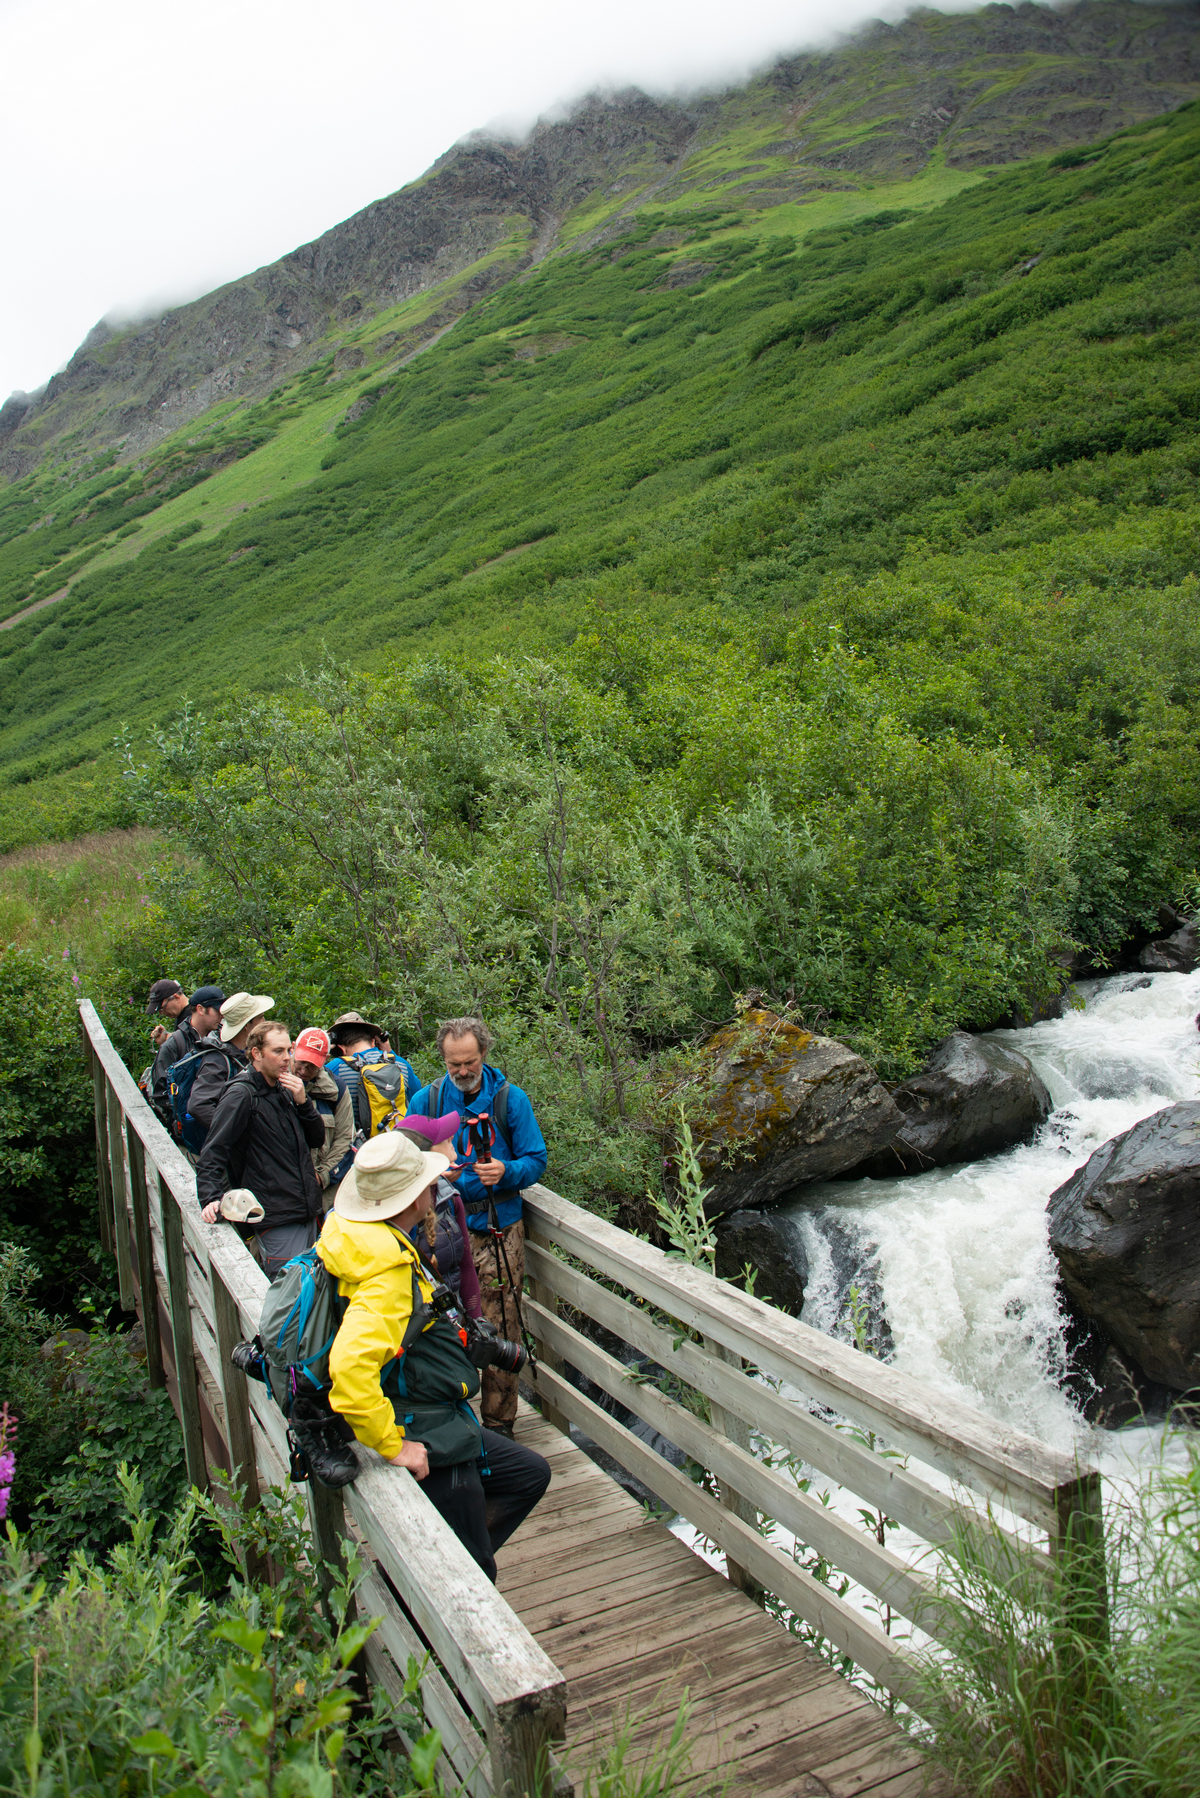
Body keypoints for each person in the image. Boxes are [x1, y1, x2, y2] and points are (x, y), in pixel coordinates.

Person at [317, 1130, 550, 1581]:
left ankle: (447, 1558)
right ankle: (445, 1575)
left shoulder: (368, 1237)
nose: (434, 1187)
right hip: (419, 1422)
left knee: (529, 1473)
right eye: (426, 1182)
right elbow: (349, 1368)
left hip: (434, 1405)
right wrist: (394, 1446)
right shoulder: (384, 1272)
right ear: (410, 1199)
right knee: (474, 1571)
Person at [408, 1017, 547, 1437]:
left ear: (484, 1053)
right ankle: (449, 1418)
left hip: (497, 1227)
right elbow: (405, 1163)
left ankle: (499, 1425)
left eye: (469, 1062)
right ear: (443, 1059)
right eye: (454, 1064)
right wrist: (434, 1172)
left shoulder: (510, 1100)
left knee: (501, 1325)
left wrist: (506, 1171)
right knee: (437, 1324)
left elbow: (536, 1160)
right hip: (440, 1229)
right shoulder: (427, 1101)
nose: (463, 1071)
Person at [197, 1019, 325, 1277]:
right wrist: (210, 1197)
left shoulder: (283, 1088)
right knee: (290, 1291)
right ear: (256, 1053)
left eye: (288, 1050)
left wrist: (303, 1104)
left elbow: (316, 1140)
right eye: (277, 1051)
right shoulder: (241, 1094)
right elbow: (214, 1149)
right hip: (275, 1217)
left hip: (306, 1212)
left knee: (311, 1291)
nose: (287, 1058)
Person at [395, 1114, 483, 1319]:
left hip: (456, 1320)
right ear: (427, 1154)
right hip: (420, 1323)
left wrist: (476, 1320)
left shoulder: (449, 1196)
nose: (451, 1137)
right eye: (442, 1137)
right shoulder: (402, 1209)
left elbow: (465, 1265)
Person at [188, 992, 274, 1137]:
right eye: (261, 1017)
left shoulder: (243, 1053)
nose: (265, 1022)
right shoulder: (217, 1061)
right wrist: (236, 1133)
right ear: (247, 1025)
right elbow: (199, 1105)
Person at [325, 1011, 421, 1138]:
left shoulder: (335, 1068)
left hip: (358, 1146)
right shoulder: (401, 1064)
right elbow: (418, 1101)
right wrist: (389, 1051)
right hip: (398, 1143)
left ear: (341, 1049)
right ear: (373, 1041)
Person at [292, 1026, 355, 1210]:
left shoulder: (337, 1090)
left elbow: (345, 1139)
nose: (303, 1070)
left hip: (323, 1193)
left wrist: (321, 1176)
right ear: (293, 1048)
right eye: (301, 1062)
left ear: (326, 1059)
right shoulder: (275, 1081)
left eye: (311, 1065)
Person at [150, 985, 225, 1113]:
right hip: (187, 1120)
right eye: (217, 1011)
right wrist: (182, 1116)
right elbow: (160, 1094)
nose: (222, 1016)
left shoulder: (223, 1038)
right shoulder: (173, 1045)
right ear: (200, 1009)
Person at [146, 978, 188, 1050]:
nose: (162, 1013)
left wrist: (167, 1038)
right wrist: (166, 1037)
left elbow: (191, 1043)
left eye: (163, 1008)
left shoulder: (193, 1015)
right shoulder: (181, 1014)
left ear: (176, 998)